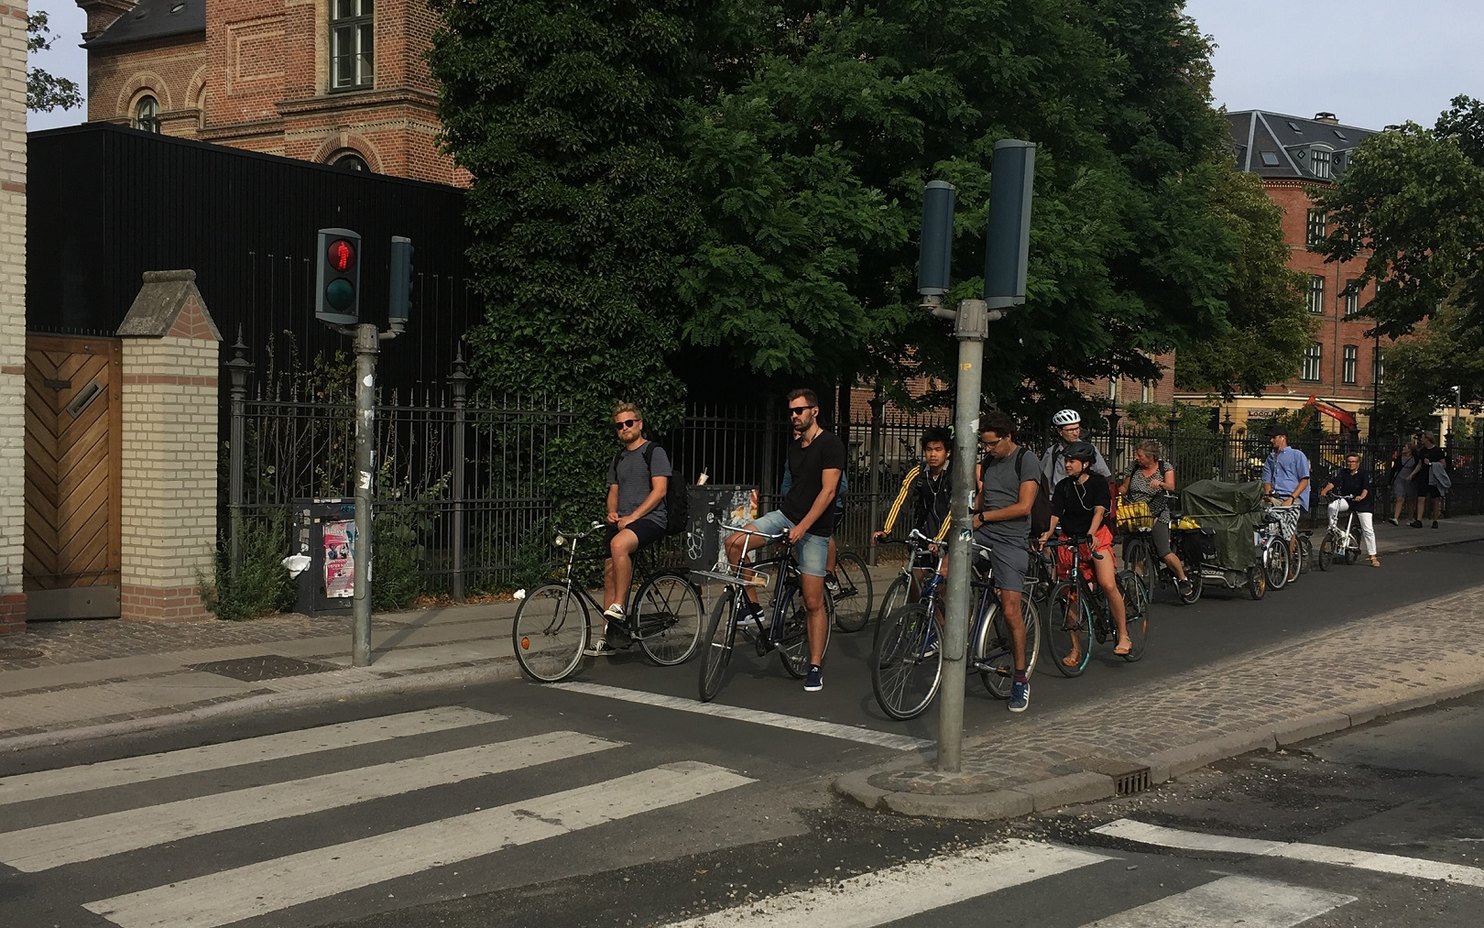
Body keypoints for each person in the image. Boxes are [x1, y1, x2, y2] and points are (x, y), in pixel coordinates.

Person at [723, 388, 843, 693]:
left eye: (799, 410)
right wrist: (782, 525)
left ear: (814, 411)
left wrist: (802, 528)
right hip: (786, 515)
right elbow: (792, 486)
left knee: (813, 601)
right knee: (735, 542)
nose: (794, 416)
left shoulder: (830, 444)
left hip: (814, 529)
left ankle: (814, 666)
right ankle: (753, 606)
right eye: (791, 411)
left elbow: (828, 492)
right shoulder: (794, 446)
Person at [971, 411, 1041, 714]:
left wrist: (983, 517)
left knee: (1011, 607)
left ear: (1007, 437)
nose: (988, 450)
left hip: (1011, 539)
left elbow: (1024, 507)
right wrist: (974, 509)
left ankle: (1020, 677)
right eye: (984, 445)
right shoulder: (988, 461)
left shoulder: (1026, 459)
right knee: (944, 571)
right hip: (983, 532)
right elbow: (984, 498)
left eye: (992, 444)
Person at [1038, 441, 1132, 662]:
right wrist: (1045, 534)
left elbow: (1100, 510)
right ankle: (1075, 649)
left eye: (1071, 461)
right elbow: (1055, 515)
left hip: (1096, 538)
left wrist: (1091, 533)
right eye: (1066, 460)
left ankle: (1124, 635)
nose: (1067, 465)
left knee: (1108, 584)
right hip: (1070, 540)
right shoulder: (1062, 486)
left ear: (1086, 463)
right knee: (1070, 596)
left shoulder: (1098, 483)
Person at [595, 402, 671, 655]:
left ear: (639, 424)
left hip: (651, 519)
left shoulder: (654, 451)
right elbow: (613, 490)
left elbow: (660, 490)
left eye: (629, 423)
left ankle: (619, 606)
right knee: (608, 573)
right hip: (624, 521)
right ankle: (610, 634)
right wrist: (612, 512)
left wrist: (634, 516)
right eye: (620, 425)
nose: (625, 428)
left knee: (618, 545)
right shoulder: (619, 458)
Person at [872, 427, 954, 601]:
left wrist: (940, 540)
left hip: (950, 537)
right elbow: (901, 501)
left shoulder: (954, 475)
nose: (932, 454)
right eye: (929, 450)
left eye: (938, 450)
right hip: (925, 534)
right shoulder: (918, 472)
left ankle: (946, 625)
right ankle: (915, 619)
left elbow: (954, 511)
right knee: (914, 580)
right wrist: (886, 530)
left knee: (940, 590)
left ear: (948, 452)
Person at [1118, 438, 1194, 597]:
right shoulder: (1133, 468)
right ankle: (1136, 587)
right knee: (1135, 549)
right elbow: (1125, 487)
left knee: (1163, 552)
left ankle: (1182, 579)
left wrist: (1159, 484)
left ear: (1151, 456)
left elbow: (1171, 486)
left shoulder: (1164, 467)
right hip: (1136, 512)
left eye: (1140, 455)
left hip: (1157, 511)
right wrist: (1117, 493)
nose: (1136, 458)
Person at [1260, 426, 1310, 566]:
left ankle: (1289, 564)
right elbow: (1267, 480)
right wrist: (1268, 494)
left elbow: (1304, 480)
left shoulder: (1297, 455)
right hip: (1275, 497)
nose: (1271, 440)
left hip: (1292, 497)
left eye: (1273, 437)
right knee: (1263, 520)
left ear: (1282, 438)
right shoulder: (1271, 457)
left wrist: (1292, 498)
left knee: (1288, 527)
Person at [1319, 452, 1379, 567]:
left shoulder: (1363, 473)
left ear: (1358, 463)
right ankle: (1332, 529)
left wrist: (1361, 496)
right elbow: (1334, 482)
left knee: (1368, 529)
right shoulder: (1343, 472)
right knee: (1332, 506)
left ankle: (1373, 556)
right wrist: (1325, 490)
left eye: (1353, 462)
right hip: (1348, 500)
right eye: (1349, 462)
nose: (1351, 464)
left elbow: (1366, 488)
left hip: (1363, 503)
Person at [1041, 408, 1111, 488]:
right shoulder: (1052, 452)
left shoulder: (1089, 449)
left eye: (1077, 429)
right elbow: (1044, 481)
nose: (1075, 433)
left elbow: (1104, 475)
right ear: (1060, 431)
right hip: (1058, 497)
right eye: (1070, 430)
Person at [1413, 432, 1446, 528]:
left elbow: (1443, 464)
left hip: (1434, 477)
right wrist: (1412, 474)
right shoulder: (1422, 451)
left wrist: (1431, 463)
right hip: (1423, 477)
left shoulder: (1438, 451)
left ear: (1427, 439)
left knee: (1435, 499)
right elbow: (1419, 464)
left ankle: (1435, 520)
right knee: (1421, 498)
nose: (1421, 440)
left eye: (1423, 438)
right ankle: (1419, 520)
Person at [1388, 442, 1416, 525]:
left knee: (1410, 500)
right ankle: (1396, 518)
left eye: (1405, 447)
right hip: (1399, 479)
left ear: (1410, 450)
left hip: (1410, 480)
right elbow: (1394, 469)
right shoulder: (1399, 458)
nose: (1403, 448)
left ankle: (1410, 518)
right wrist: (1390, 481)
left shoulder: (1415, 458)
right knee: (1399, 498)